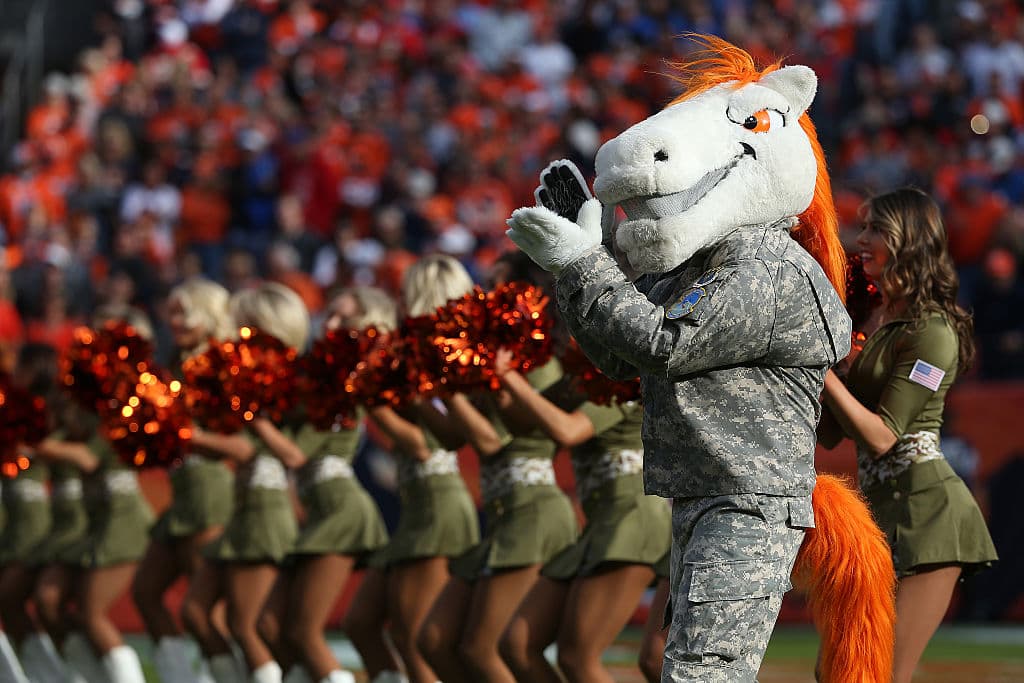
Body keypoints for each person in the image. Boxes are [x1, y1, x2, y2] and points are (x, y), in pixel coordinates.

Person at [818, 187, 998, 683]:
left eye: (876, 228)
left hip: (929, 518)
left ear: (908, 240)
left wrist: (824, 372)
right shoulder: (869, 319)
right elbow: (833, 433)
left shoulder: (933, 331)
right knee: (835, 671)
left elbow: (882, 437)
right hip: (879, 515)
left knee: (879, 674)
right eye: (864, 226)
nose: (862, 240)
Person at [491, 249, 671, 683]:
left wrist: (512, 380)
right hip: (602, 520)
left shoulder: (623, 367)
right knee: (516, 643)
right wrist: (494, 380)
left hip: (632, 517)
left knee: (578, 657)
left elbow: (568, 431)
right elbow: (521, 423)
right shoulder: (583, 366)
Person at [416, 255, 578, 683]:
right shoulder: (491, 361)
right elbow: (454, 436)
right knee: (434, 640)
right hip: (506, 513)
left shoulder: (539, 362)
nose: (482, 293)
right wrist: (420, 387)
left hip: (533, 513)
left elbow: (494, 439)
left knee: (487, 650)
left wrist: (449, 383)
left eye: (493, 284)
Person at [344, 256, 480, 683]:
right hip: (417, 503)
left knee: (416, 635)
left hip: (438, 501)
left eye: (408, 293)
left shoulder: (445, 355)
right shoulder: (417, 352)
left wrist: (375, 401)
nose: (401, 303)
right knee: (362, 623)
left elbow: (428, 444)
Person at [255, 287, 391, 683]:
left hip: (341, 511)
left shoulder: (343, 381)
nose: (328, 326)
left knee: (302, 630)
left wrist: (253, 417)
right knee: (270, 625)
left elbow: (296, 455)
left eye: (342, 319)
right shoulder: (320, 375)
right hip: (321, 509)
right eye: (327, 317)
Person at [182, 282, 308, 683]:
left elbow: (260, 450)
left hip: (267, 507)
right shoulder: (244, 373)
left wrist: (192, 435)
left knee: (250, 627)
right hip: (244, 502)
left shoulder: (285, 377)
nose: (233, 335)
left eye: (242, 326)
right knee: (197, 612)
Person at [132, 278, 236, 683]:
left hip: (209, 490)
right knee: (146, 592)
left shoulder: (219, 365)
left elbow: (229, 438)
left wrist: (176, 428)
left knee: (205, 609)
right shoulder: (174, 363)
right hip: (181, 492)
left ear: (208, 317)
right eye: (171, 311)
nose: (174, 321)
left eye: (183, 312)